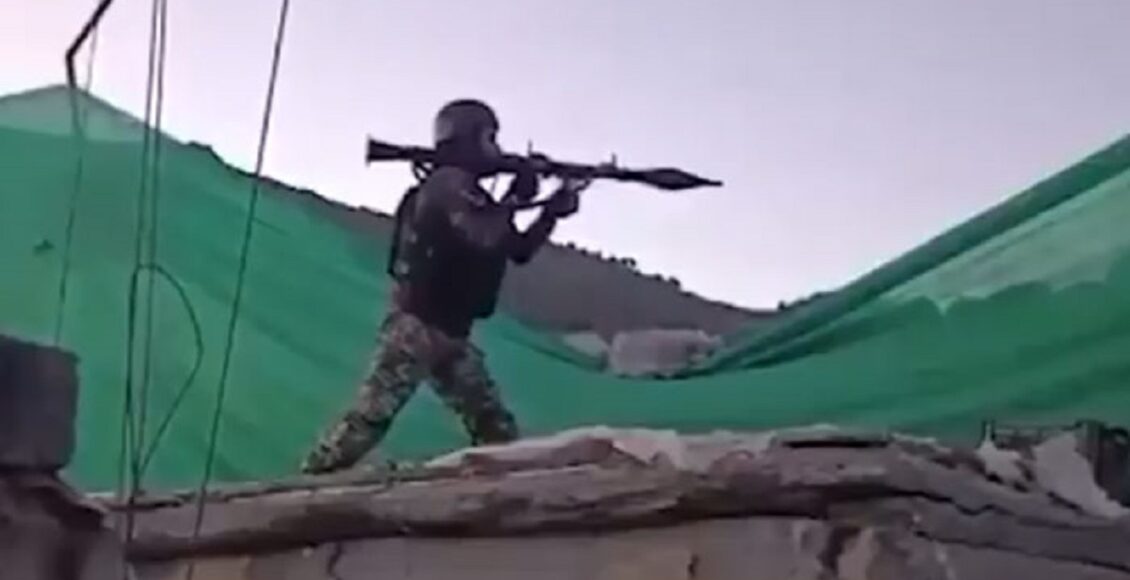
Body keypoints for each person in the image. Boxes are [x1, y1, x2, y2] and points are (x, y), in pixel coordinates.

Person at [301, 99, 592, 474]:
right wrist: (519, 197)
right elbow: (485, 236)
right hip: (416, 329)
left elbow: (515, 249)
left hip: (452, 333)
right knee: (367, 421)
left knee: (494, 427)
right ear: (470, 138)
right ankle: (306, 481)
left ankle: (507, 499)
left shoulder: (470, 194)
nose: (497, 150)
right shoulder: (446, 184)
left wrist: (550, 211)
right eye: (490, 138)